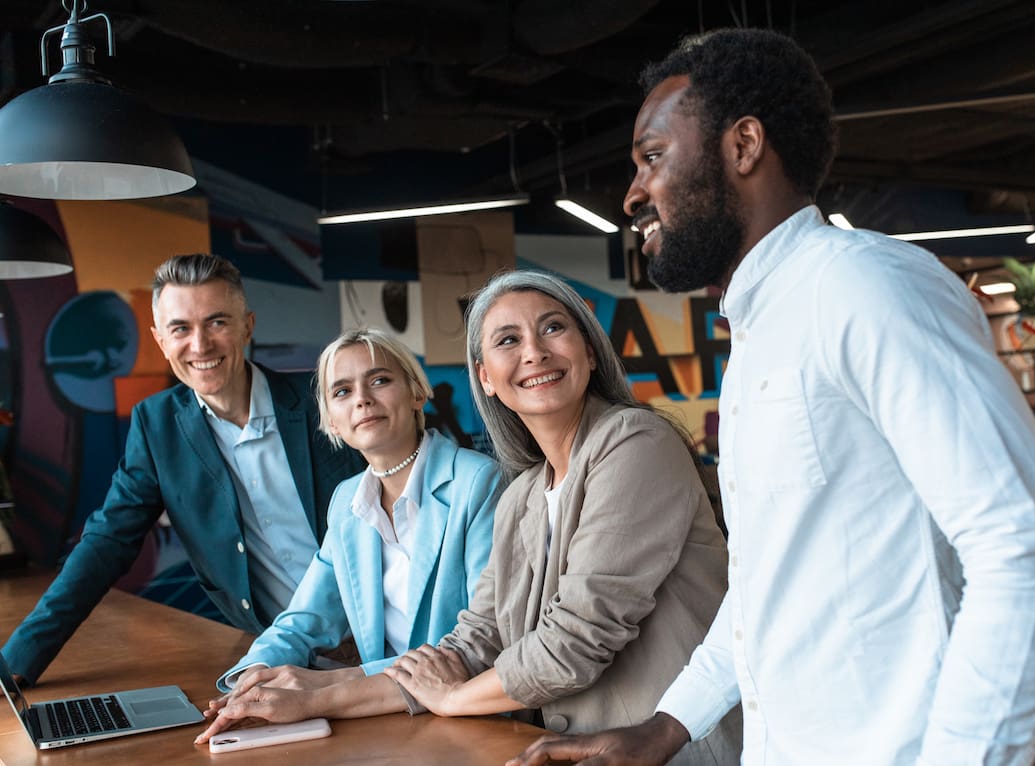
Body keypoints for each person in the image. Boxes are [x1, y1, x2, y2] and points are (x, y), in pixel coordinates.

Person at [510, 28, 1035, 766]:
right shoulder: (760, 329)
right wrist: (664, 729)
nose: (633, 194)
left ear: (743, 145)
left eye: (652, 157)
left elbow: (1029, 554)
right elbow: (769, 589)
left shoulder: (862, 288)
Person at [197, 270, 740, 765]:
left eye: (553, 329)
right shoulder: (524, 494)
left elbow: (572, 641)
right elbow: (474, 641)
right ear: (485, 377)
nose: (534, 352)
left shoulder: (635, 442)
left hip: (679, 752)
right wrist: (312, 698)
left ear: (591, 352)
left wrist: (448, 696)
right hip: (556, 749)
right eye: (508, 340)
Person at [2, 253, 363, 687]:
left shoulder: (321, 399)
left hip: (385, 634)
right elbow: (107, 542)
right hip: (283, 659)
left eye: (217, 322)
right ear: (160, 340)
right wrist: (17, 660)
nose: (200, 345)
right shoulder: (157, 427)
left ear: (247, 326)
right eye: (181, 329)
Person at [209, 328, 502, 696]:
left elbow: (483, 641)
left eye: (379, 380)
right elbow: (303, 620)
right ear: (332, 420)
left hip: (464, 710)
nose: (362, 400)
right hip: (384, 716)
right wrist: (251, 677)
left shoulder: (477, 481)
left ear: (416, 392)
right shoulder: (347, 503)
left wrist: (334, 682)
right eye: (342, 392)